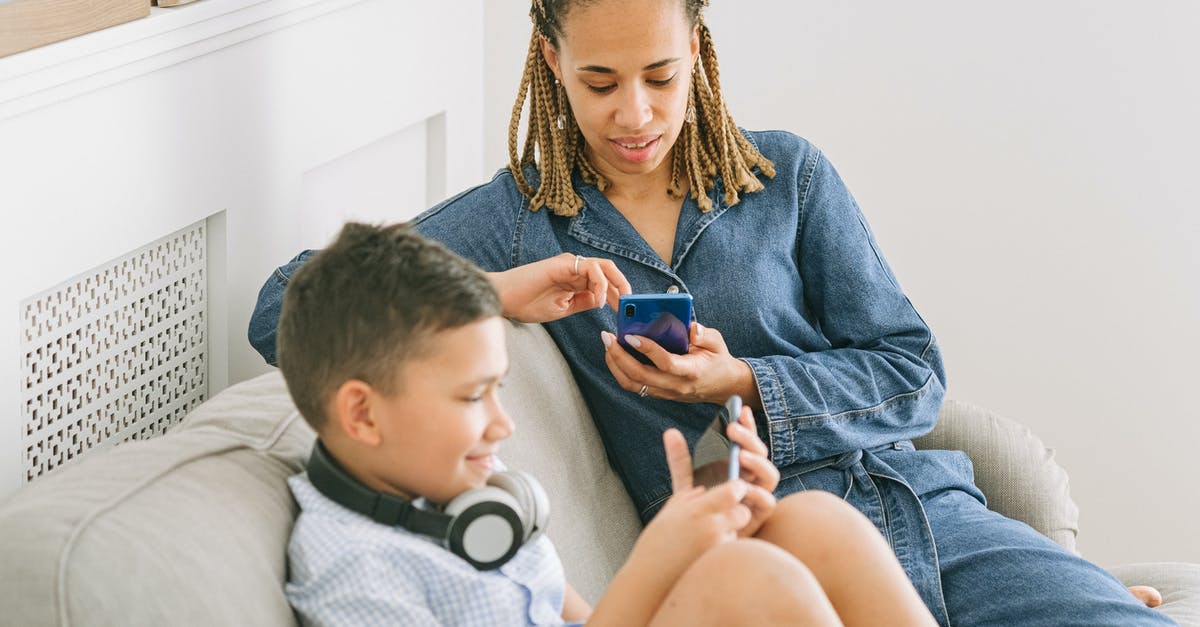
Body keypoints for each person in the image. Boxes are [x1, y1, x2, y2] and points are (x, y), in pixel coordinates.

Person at [250, 0, 1170, 624]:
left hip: (919, 510)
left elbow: (913, 371)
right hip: (740, 547)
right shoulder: (518, 221)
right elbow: (287, 303)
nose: (636, 115)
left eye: (659, 74)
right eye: (600, 83)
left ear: (697, 45)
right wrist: (496, 293)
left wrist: (751, 379)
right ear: (551, 60)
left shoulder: (787, 178)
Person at [276, 221, 937, 626]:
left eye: (497, 390)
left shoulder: (461, 489)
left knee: (810, 522)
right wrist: (662, 559)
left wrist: (696, 538)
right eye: (473, 395)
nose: (502, 424)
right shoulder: (354, 568)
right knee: (747, 578)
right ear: (362, 412)